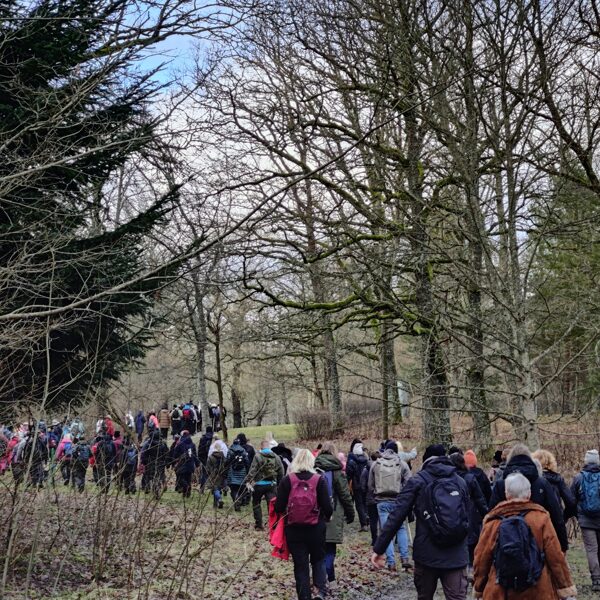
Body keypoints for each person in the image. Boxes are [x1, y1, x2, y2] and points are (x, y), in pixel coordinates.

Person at [371, 444, 469, 600]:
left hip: (426, 555)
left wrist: (379, 548)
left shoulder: (418, 481)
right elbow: (467, 517)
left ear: (425, 461)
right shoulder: (460, 482)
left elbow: (397, 514)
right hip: (456, 555)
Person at [473, 473, 576, 600]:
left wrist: (479, 588)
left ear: (507, 494)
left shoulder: (493, 521)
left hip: (500, 591)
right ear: (529, 494)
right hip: (538, 590)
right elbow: (555, 556)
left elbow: (481, 558)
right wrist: (565, 588)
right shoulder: (541, 518)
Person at [275, 449, 333, 600]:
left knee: (300, 566)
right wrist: (326, 517)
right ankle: (320, 591)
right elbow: (328, 507)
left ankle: (304, 596)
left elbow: (279, 507)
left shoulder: (287, 480)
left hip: (294, 530)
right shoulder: (319, 480)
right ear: (311, 461)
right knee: (318, 559)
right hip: (316, 529)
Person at [488, 443, 568, 552]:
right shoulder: (542, 483)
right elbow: (556, 516)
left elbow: (491, 516)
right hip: (538, 543)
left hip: (506, 544)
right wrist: (562, 546)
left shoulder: (501, 484)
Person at [315, 441, 355, 585]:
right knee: (330, 548)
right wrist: (350, 514)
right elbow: (345, 495)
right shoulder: (337, 471)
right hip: (333, 512)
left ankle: (320, 579)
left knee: (318, 549)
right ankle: (329, 578)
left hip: (315, 514)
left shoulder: (314, 469)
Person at [368, 440, 412, 571]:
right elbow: (409, 482)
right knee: (401, 529)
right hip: (398, 502)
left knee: (386, 532)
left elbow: (370, 485)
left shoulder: (376, 464)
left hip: (381, 502)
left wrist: (375, 495)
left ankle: (391, 563)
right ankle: (405, 558)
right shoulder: (402, 464)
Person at [449, 452, 488, 582]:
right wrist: (486, 514)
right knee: (472, 543)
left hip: (453, 514)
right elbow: (480, 499)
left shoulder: (448, 478)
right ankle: (470, 568)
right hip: (471, 514)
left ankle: (458, 570)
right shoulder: (470, 478)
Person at [571, 449, 600, 591]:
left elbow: (571, 499)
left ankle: (596, 580)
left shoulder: (578, 478)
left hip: (586, 520)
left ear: (585, 461)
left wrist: (577, 515)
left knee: (591, 549)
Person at [248, 440, 285, 530]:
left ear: (261, 447)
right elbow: (281, 471)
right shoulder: (276, 456)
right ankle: (274, 524)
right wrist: (279, 483)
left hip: (259, 484)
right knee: (271, 504)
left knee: (256, 503)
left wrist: (249, 480)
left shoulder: (257, 456)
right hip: (271, 484)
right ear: (269, 447)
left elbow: (253, 469)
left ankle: (259, 525)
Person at [532, 449, 576, 520]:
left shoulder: (532, 480)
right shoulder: (557, 479)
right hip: (556, 519)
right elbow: (571, 502)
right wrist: (563, 517)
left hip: (536, 520)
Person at [346, 440, 371, 532]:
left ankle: (364, 524)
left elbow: (348, 473)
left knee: (359, 505)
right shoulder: (366, 459)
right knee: (365, 502)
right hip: (366, 484)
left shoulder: (351, 460)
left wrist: (348, 482)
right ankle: (367, 517)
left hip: (356, 485)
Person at [141, 429, 169, 498]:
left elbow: (144, 454)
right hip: (161, 463)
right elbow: (167, 454)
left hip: (150, 463)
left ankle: (151, 489)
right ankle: (160, 486)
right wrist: (166, 463)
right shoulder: (163, 444)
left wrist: (144, 462)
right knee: (159, 476)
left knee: (150, 476)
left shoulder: (148, 444)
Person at [172, 430, 199, 498]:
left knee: (180, 478)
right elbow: (195, 455)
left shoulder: (180, 444)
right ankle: (187, 494)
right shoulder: (192, 444)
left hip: (182, 464)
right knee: (188, 479)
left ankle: (186, 487)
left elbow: (175, 454)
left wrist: (174, 462)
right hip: (190, 464)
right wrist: (197, 463)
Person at [361, 450, 380, 546]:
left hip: (370, 498)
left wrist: (366, 493)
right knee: (382, 520)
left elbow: (363, 485)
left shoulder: (366, 469)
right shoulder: (382, 468)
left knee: (373, 520)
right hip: (381, 497)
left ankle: (374, 539)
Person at [227, 437, 250, 510]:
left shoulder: (230, 450)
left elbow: (227, 461)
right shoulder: (243, 450)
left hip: (232, 472)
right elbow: (247, 462)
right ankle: (239, 500)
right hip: (242, 472)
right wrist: (247, 471)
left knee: (233, 489)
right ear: (239, 443)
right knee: (241, 488)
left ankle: (236, 500)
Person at [207, 439, 228, 508]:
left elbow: (208, 468)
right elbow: (226, 466)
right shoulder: (223, 457)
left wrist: (210, 474)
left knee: (215, 489)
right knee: (218, 489)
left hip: (213, 475)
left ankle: (219, 499)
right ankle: (215, 504)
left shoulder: (210, 457)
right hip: (221, 474)